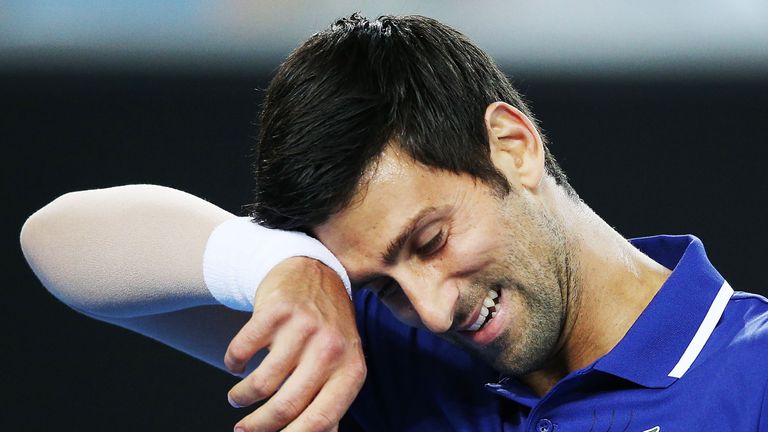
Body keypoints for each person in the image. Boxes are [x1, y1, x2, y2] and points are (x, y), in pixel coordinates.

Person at [20, 13, 768, 432]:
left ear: (513, 145)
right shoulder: (385, 349)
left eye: (431, 241)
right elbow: (57, 243)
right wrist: (282, 271)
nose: (434, 310)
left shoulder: (755, 375)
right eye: (382, 284)